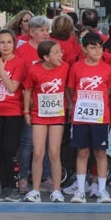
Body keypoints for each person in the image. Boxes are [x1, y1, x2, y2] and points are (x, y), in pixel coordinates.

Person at [67, 32, 111, 203]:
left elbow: (109, 92)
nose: (97, 51)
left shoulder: (107, 68)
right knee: (82, 152)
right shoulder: (76, 67)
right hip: (81, 117)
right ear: (85, 49)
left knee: (101, 152)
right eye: (93, 47)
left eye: (100, 47)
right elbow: (71, 89)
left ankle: (102, 189)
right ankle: (80, 190)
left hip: (101, 117)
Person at [22, 40, 68, 203]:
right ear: (46, 57)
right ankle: (35, 190)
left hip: (57, 115)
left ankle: (57, 190)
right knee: (38, 152)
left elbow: (68, 88)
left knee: (54, 152)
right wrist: (26, 112)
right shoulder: (34, 70)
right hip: (39, 115)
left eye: (60, 51)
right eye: (56, 52)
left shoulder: (65, 67)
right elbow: (27, 90)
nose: (60, 55)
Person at [0, 29, 27, 201]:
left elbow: (12, 87)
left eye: (9, 42)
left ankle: (15, 187)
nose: (5, 45)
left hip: (13, 112)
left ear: (14, 44)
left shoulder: (19, 63)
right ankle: (4, 188)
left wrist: (2, 70)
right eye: (2, 42)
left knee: (10, 150)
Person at [14, 15, 51, 193]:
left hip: (49, 104)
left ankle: (44, 177)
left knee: (46, 143)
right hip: (28, 104)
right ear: (32, 32)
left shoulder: (52, 49)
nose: (45, 34)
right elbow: (19, 80)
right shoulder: (22, 52)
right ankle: (22, 177)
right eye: (41, 31)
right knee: (27, 142)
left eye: (47, 30)